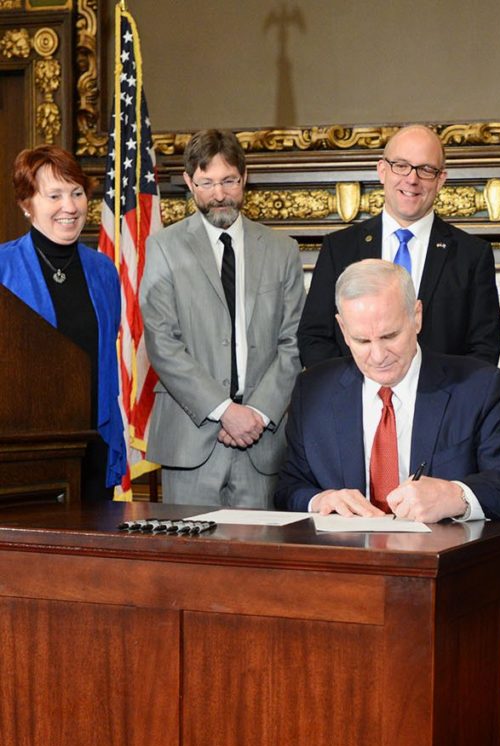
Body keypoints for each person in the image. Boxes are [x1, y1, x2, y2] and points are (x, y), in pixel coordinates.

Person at [275, 259, 500, 523]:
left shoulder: (477, 388)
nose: (378, 356)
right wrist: (320, 500)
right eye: (362, 340)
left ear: (416, 317)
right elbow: (290, 487)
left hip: (442, 557)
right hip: (347, 559)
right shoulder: (313, 390)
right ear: (343, 330)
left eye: (390, 336)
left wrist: (456, 496)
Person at [141, 128, 304, 508]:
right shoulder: (163, 248)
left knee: (260, 561)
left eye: (229, 181)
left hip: (262, 444)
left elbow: (293, 342)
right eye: (206, 183)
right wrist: (225, 411)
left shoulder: (282, 250)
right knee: (187, 564)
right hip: (191, 440)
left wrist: (257, 414)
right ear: (188, 182)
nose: (219, 195)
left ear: (245, 178)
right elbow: (162, 342)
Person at [298, 124, 500, 369]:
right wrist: (359, 393)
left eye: (426, 169)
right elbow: (315, 337)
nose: (412, 179)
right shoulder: (339, 248)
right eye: (401, 166)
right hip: (354, 401)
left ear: (440, 180)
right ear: (382, 170)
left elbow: (484, 347)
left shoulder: (472, 255)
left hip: (442, 401)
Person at [0, 145, 123, 501]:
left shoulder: (103, 271)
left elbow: (104, 356)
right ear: (27, 204)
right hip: (24, 453)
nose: (70, 206)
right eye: (54, 195)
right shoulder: (3, 269)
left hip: (94, 443)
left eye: (77, 192)